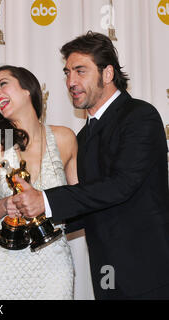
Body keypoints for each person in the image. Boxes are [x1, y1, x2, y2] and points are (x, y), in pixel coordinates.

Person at [13, 31, 169, 299]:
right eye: (67, 72)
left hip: (147, 273)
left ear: (107, 74)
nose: (70, 81)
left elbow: (120, 186)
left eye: (80, 71)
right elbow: (88, 204)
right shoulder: (83, 136)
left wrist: (46, 201)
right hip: (106, 272)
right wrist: (30, 223)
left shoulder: (140, 116)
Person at [0, 65, 78, 300]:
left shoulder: (65, 138)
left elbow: (80, 203)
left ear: (27, 90)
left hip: (54, 267)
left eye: (3, 84)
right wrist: (4, 206)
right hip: (4, 265)